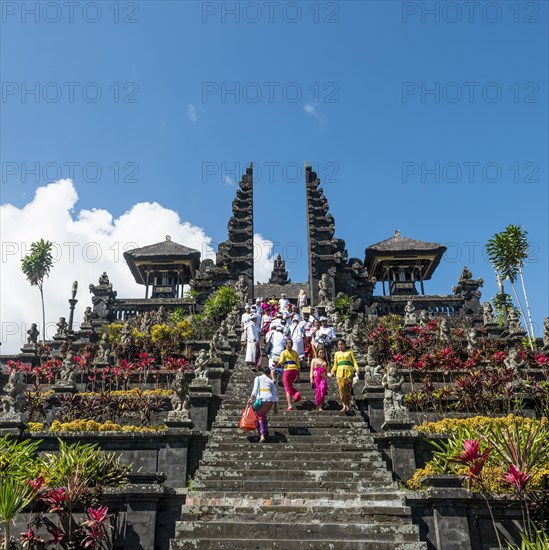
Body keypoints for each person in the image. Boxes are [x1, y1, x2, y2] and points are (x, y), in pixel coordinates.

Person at [248, 367, 278, 443]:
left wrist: (251, 398)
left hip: (262, 399)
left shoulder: (258, 378)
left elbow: (255, 389)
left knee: (260, 417)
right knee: (263, 415)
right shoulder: (271, 381)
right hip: (270, 400)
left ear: (262, 372)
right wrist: (275, 407)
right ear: (268, 373)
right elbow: (274, 394)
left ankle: (262, 435)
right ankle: (265, 430)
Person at [329, 339, 359, 413]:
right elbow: (335, 364)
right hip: (339, 372)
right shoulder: (336, 354)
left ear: (344, 344)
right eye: (339, 345)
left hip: (348, 372)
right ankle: (344, 405)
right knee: (341, 389)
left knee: (348, 390)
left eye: (342, 344)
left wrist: (357, 369)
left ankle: (347, 405)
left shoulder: (350, 352)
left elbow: (354, 361)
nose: (340, 346)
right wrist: (332, 371)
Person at [276, 338, 301, 410]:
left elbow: (281, 361)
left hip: (287, 370)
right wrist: (298, 375)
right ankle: (295, 396)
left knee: (287, 388)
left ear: (286, 344)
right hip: (294, 371)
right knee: (289, 385)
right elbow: (298, 365)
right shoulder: (295, 353)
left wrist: (277, 365)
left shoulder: (283, 352)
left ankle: (294, 398)